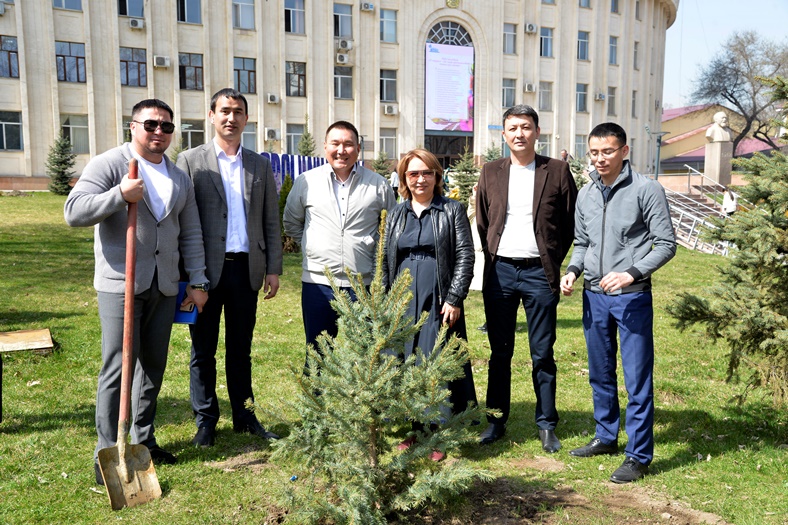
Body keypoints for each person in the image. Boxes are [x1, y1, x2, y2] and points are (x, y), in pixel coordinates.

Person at [64, 99, 209, 485]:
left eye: (167, 126)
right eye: (151, 124)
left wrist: (197, 281)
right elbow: (74, 212)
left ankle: (144, 440)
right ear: (133, 126)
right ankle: (108, 450)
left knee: (152, 366)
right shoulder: (110, 164)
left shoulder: (178, 177)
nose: (159, 132)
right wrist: (119, 195)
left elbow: (191, 232)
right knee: (118, 366)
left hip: (164, 285)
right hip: (121, 283)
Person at [560, 122, 676, 484]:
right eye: (594, 152)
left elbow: (666, 245)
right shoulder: (586, 194)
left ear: (624, 151)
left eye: (607, 151)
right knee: (600, 372)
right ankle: (606, 436)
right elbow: (582, 243)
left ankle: (638, 456)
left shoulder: (646, 190)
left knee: (637, 378)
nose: (600, 159)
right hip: (593, 296)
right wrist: (573, 271)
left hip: (631, 297)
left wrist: (630, 274)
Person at [176, 88, 283, 448]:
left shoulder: (259, 164)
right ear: (211, 116)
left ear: (246, 119)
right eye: (224, 111)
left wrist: (273, 268)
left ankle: (245, 416)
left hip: (246, 270)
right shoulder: (191, 161)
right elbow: (182, 221)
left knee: (241, 349)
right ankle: (206, 421)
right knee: (202, 351)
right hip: (204, 273)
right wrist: (190, 277)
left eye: (238, 112)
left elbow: (271, 220)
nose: (231, 118)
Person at [476, 104, 577, 452]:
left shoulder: (557, 171)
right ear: (504, 135)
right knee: (499, 352)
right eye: (513, 128)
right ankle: (495, 420)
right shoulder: (490, 171)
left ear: (537, 132)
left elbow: (569, 223)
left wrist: (552, 258)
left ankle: (547, 423)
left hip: (539, 273)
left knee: (542, 352)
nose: (519, 134)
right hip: (500, 273)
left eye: (526, 127)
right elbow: (483, 221)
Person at [381, 149, 478, 461]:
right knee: (407, 358)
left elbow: (465, 255)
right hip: (403, 298)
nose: (420, 179)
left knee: (432, 358)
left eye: (427, 173)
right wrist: (384, 301)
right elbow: (385, 260)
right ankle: (415, 428)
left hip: (437, 297)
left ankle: (437, 433)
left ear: (437, 176)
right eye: (413, 173)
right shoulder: (396, 214)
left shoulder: (451, 210)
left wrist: (454, 297)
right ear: (404, 178)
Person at [283, 121, 396, 358]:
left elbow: (390, 229)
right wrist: (312, 244)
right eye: (335, 143)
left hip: (364, 284)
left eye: (348, 144)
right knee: (318, 355)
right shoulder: (306, 181)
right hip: (318, 283)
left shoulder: (378, 185)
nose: (341, 150)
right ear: (325, 146)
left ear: (358, 148)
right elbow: (292, 222)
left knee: (368, 357)